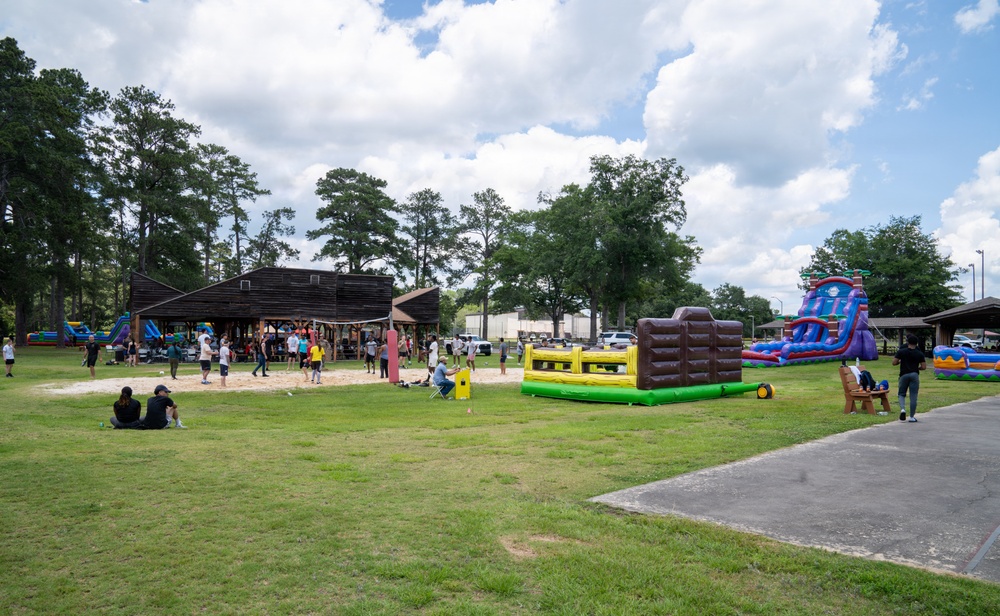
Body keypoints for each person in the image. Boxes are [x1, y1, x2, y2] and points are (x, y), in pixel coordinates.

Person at [893, 334, 927, 422]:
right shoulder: (919, 353)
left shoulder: (902, 351)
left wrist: (900, 361)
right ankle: (912, 417)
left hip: (904, 374)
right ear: (917, 343)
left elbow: (894, 362)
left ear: (908, 342)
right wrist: (917, 368)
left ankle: (903, 409)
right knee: (913, 396)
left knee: (901, 393)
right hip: (914, 375)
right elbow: (923, 367)